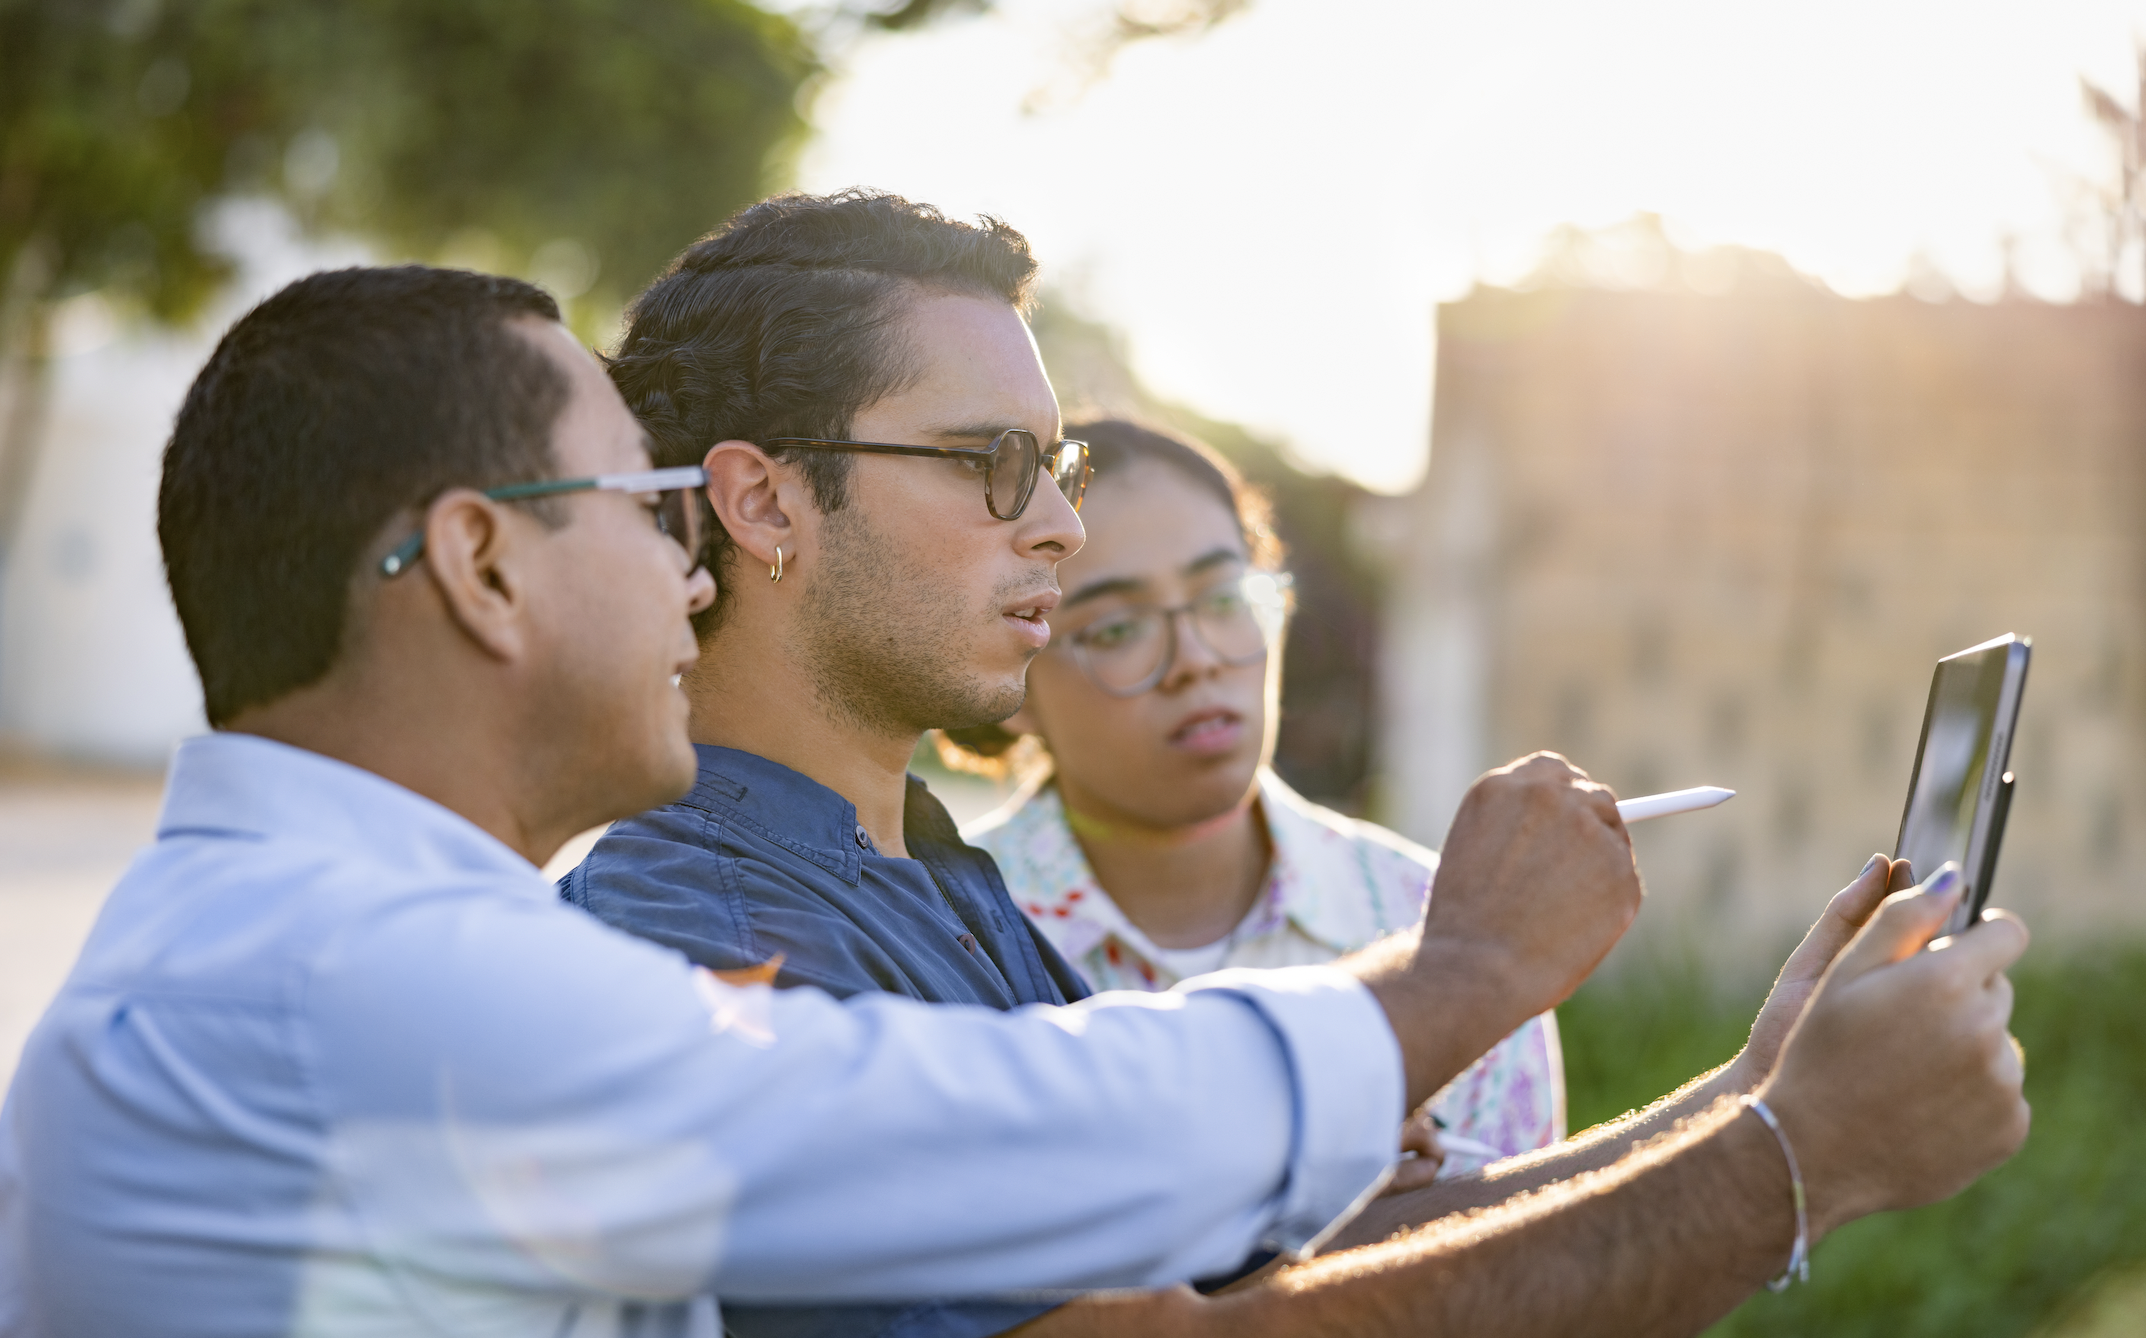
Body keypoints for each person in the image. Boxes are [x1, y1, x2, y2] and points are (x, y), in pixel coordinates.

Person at [0, 264, 1645, 1337]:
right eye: (649, 505)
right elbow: (968, 1139)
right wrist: (1463, 978)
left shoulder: (305, 938)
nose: (687, 567)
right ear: (483, 565)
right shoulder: (359, 977)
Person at [565, 188, 2031, 1337]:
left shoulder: (925, 877)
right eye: (990, 463)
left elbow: (1243, 1288)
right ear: (765, 504)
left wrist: (1751, 1094)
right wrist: (1792, 1157)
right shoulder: (700, 942)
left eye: (1053, 470)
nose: (1060, 529)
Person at [952, 418, 1557, 1183]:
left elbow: (1536, 1238)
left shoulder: (1438, 922)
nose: (1195, 661)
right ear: (1009, 671)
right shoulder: (943, 942)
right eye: (1116, 628)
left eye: (1222, 597)